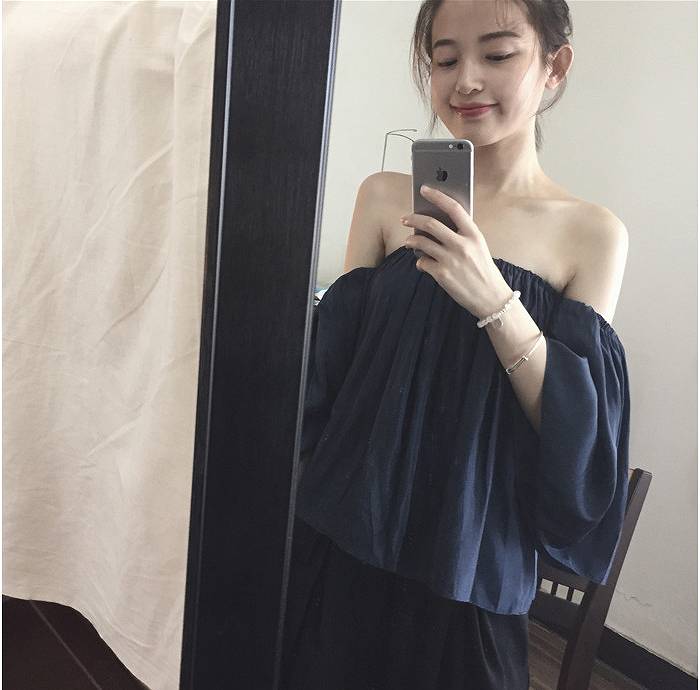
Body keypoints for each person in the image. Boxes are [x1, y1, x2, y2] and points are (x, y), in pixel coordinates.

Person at [280, 1, 631, 688]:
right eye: (445, 59)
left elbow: (577, 436)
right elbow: (329, 378)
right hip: (344, 533)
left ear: (555, 66)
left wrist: (494, 298)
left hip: (473, 561)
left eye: (497, 54)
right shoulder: (385, 198)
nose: (465, 79)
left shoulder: (591, 234)